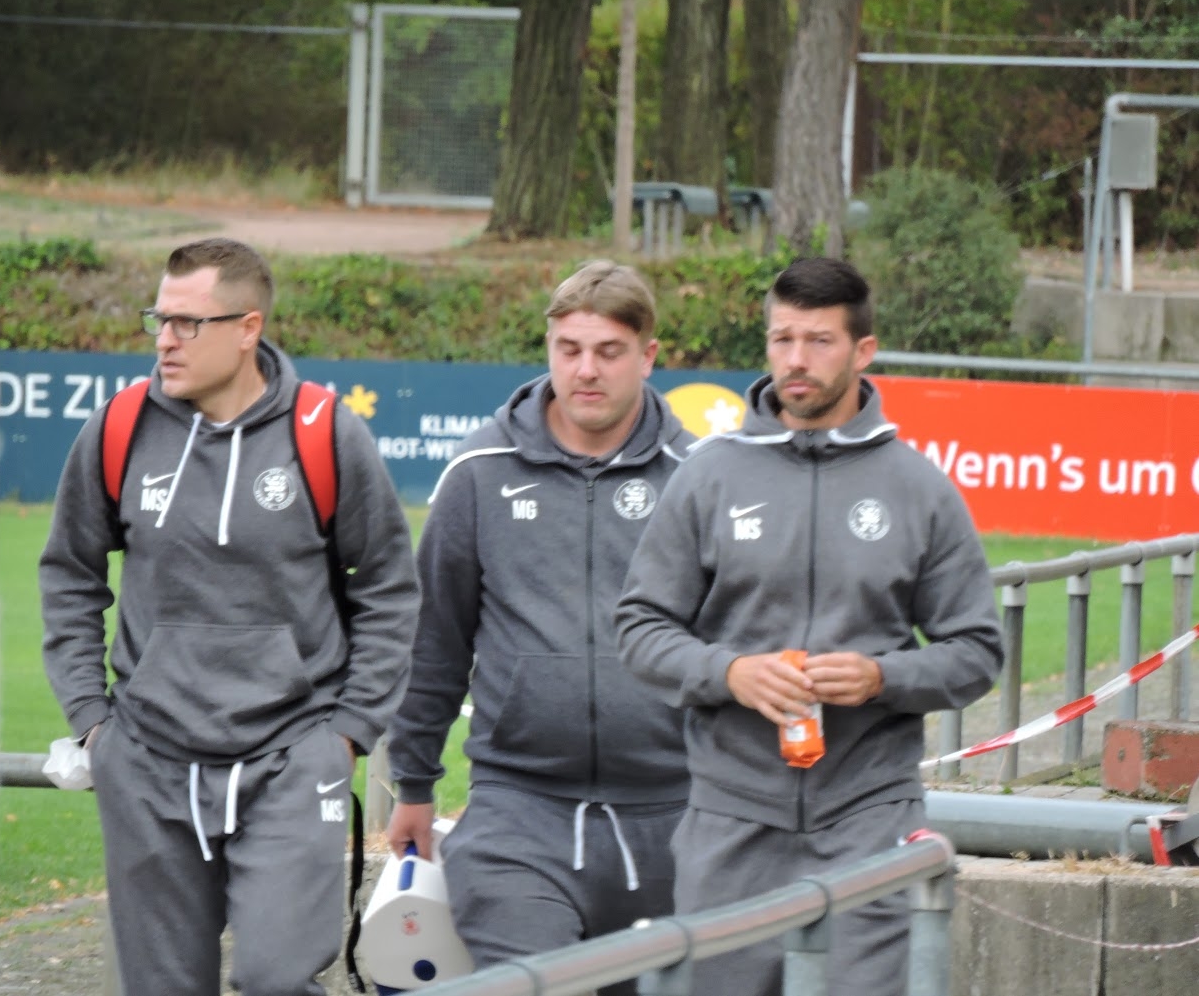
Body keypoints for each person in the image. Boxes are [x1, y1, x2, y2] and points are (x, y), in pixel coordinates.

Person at [39, 237, 420, 996]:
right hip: (147, 760)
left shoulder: (324, 431)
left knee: (278, 978)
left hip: (291, 759)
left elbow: (387, 586)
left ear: (248, 328)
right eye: (158, 318)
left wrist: (346, 732)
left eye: (187, 323)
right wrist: (93, 721)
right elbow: (70, 574)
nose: (164, 339)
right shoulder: (119, 427)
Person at [615, 256, 1003, 996]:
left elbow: (978, 650)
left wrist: (881, 677)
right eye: (782, 338)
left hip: (870, 820)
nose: (796, 359)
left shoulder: (919, 487)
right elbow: (641, 627)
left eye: (819, 340)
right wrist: (730, 673)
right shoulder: (709, 475)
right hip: (730, 818)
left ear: (863, 350)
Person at [385, 260, 694, 994]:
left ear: (648, 355)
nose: (586, 370)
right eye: (569, 349)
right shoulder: (479, 471)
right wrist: (414, 782)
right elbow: (435, 643)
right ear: (549, 347)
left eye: (609, 351)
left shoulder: (696, 475)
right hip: (518, 813)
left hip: (677, 817)